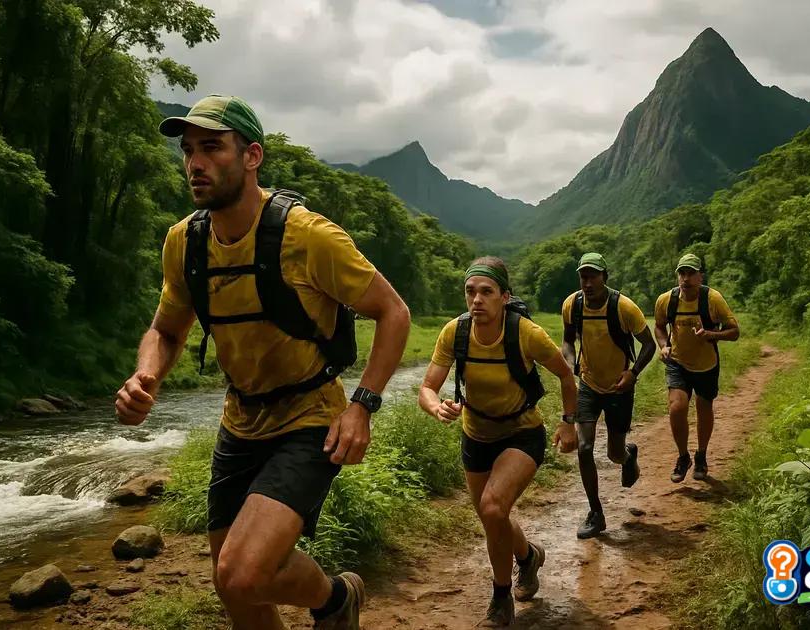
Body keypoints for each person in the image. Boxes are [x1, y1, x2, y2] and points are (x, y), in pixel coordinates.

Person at [114, 94, 411, 630]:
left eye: (211, 148)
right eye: (188, 151)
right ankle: (332, 604)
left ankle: (335, 599)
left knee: (243, 574)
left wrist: (362, 405)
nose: (195, 163)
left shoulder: (309, 236)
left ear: (252, 156)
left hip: (309, 417)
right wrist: (147, 375)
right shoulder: (185, 242)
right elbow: (165, 328)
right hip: (240, 421)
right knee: (236, 592)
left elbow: (392, 312)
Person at [418, 257, 578, 627]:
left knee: (492, 508)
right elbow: (427, 386)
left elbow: (566, 377)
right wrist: (436, 406)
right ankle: (528, 557)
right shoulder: (454, 333)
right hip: (476, 435)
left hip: (522, 433)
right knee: (493, 517)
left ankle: (501, 598)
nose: (477, 300)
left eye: (486, 292)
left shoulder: (526, 333)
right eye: (470, 292)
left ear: (504, 297)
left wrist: (568, 423)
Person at [561, 252, 656, 538]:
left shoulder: (624, 307)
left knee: (614, 453)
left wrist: (633, 374)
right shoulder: (572, 305)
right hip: (588, 384)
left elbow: (649, 345)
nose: (587, 282)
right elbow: (568, 341)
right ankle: (596, 513)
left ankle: (628, 456)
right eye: (583, 276)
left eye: (593, 276)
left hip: (618, 386)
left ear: (605, 277)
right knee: (585, 447)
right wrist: (567, 364)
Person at [653, 253, 739, 483]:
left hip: (706, 364)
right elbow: (660, 327)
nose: (686, 278)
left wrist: (711, 334)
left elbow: (734, 331)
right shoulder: (666, 300)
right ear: (677, 276)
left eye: (691, 273)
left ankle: (701, 455)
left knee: (703, 407)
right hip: (677, 362)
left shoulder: (712, 299)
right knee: (677, 408)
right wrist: (663, 346)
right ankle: (683, 457)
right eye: (682, 273)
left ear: (700, 276)